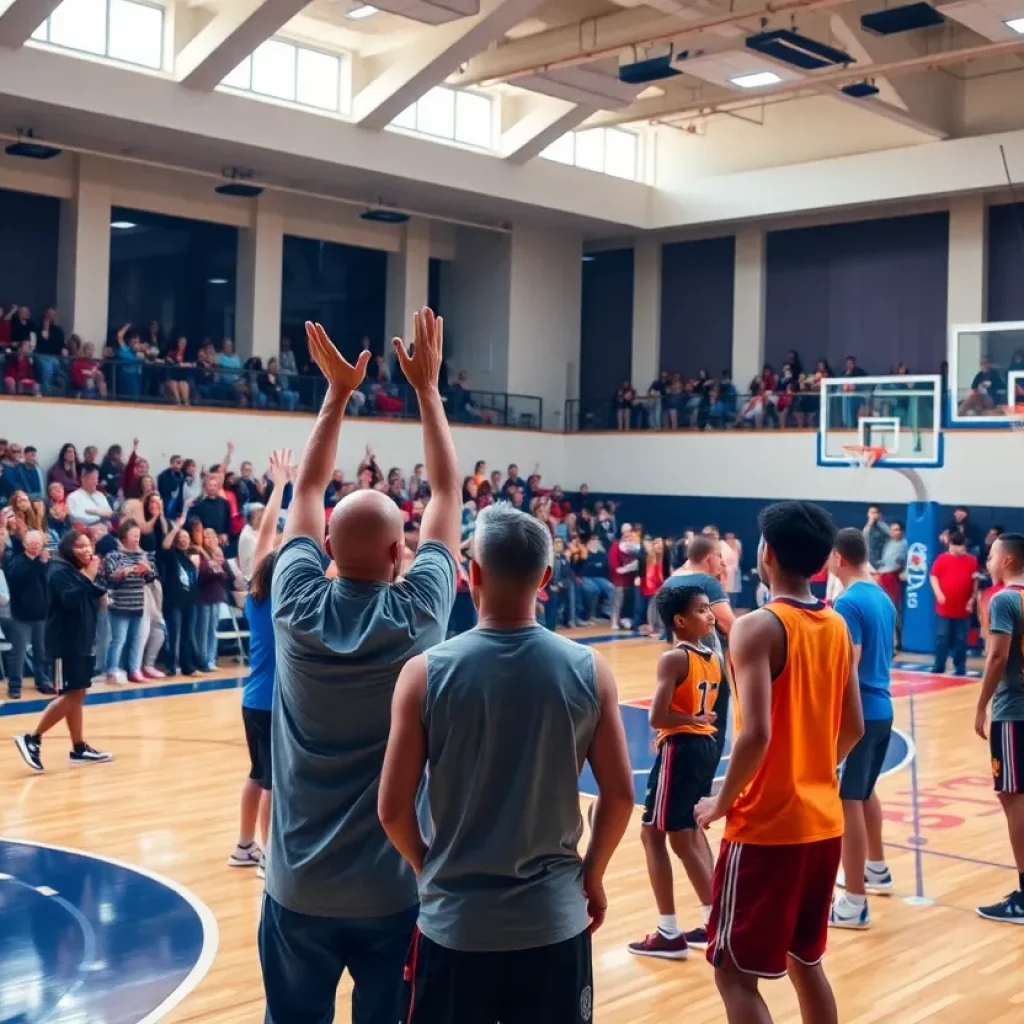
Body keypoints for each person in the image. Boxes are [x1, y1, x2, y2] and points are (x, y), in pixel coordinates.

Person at [258, 308, 462, 1024]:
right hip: (393, 893)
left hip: (296, 887)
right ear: (397, 556)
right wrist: (428, 392)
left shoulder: (294, 602)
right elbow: (446, 494)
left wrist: (336, 395)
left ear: (326, 552)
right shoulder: (419, 615)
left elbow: (308, 493)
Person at [378, 502, 634, 1021]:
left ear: (472, 573)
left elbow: (391, 809)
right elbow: (622, 796)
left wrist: (428, 867)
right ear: (545, 577)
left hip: (457, 925)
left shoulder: (424, 674)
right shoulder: (591, 670)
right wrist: (594, 875)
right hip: (554, 922)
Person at [695, 500, 864, 1024]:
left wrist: (720, 801)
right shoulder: (834, 624)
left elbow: (756, 736)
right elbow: (853, 727)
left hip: (769, 828)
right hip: (823, 823)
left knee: (734, 975)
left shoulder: (757, 627)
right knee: (805, 962)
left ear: (765, 553)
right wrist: (813, 768)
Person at [629, 584, 725, 960]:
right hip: (702, 747)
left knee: (678, 840)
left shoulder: (674, 658)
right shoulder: (713, 657)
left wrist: (680, 723)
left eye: (707, 608)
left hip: (683, 749)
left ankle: (707, 924)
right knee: (657, 833)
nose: (710, 614)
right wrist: (685, 722)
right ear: (680, 620)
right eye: (703, 609)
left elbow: (657, 716)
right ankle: (687, 925)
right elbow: (694, 713)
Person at [828, 528, 896, 929]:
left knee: (847, 800)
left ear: (839, 557)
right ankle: (877, 869)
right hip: (882, 708)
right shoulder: (882, 596)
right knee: (865, 792)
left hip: (859, 713)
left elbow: (847, 662)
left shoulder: (849, 601)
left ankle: (854, 903)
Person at [230, 448, 291, 876]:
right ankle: (269, 857)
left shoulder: (257, 595)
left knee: (257, 775)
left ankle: (244, 846)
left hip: (252, 699)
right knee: (272, 781)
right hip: (272, 702)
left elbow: (267, 536)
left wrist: (280, 486)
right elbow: (274, 539)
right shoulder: (288, 601)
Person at [13, 530, 112, 773]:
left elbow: (95, 593)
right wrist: (88, 578)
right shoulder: (58, 571)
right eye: (80, 546)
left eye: (89, 545)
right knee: (70, 695)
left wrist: (106, 577)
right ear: (69, 549)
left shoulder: (79, 572)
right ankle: (32, 738)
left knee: (77, 693)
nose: (87, 550)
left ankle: (79, 748)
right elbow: (69, 600)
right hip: (65, 644)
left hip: (82, 641)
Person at [973, 532, 1024, 923]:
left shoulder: (1006, 599)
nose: (987, 561)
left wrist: (980, 706)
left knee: (1014, 797)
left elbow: (996, 657)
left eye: (991, 555)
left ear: (1007, 561)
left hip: (1014, 712)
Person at [102, 519, 157, 683]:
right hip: (119, 605)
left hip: (138, 604)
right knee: (118, 640)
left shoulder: (143, 556)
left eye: (138, 535)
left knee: (135, 639)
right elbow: (110, 580)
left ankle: (134, 670)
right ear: (124, 537)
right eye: (133, 535)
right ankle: (112, 670)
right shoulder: (114, 556)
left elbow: (150, 580)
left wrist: (148, 570)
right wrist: (120, 574)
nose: (137, 538)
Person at [4, 530, 55, 698]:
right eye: (33, 544)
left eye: (39, 544)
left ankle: (42, 681)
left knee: (41, 651)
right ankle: (14, 685)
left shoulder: (45, 563)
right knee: (17, 652)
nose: (36, 547)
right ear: (25, 544)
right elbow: (21, 579)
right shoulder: (17, 561)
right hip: (21, 616)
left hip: (41, 614)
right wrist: (40, 564)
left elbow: (48, 583)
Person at [930, 529, 978, 675]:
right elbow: (934, 576)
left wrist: (972, 599)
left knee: (961, 640)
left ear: (964, 546)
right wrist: (938, 593)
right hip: (944, 607)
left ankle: (960, 667)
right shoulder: (941, 559)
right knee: (942, 638)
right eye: (953, 545)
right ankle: (939, 665)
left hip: (963, 608)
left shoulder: (971, 560)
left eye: (959, 546)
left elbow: (975, 581)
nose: (955, 549)